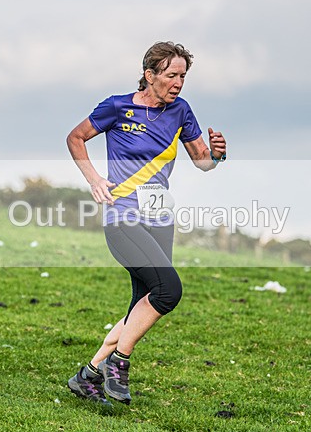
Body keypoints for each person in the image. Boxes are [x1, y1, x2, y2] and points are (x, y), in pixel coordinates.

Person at [66, 41, 227, 405]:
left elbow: (202, 160)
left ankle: (89, 375)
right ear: (149, 75)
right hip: (123, 215)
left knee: (143, 301)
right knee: (168, 290)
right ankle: (119, 364)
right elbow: (75, 137)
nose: (178, 83)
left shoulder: (181, 112)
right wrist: (93, 178)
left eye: (183, 76)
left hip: (159, 218)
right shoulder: (117, 107)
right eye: (171, 75)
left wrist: (218, 154)